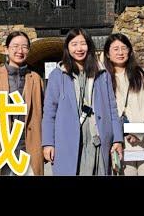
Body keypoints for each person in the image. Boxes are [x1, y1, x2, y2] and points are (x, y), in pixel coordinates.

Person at [42, 28, 124, 175]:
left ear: (89, 46)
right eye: (74, 44)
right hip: (67, 141)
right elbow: (49, 113)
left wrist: (117, 138)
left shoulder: (102, 74)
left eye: (83, 43)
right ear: (67, 48)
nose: (79, 48)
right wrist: (48, 142)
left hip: (97, 140)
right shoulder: (57, 75)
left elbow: (112, 108)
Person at [0, 30, 44, 175]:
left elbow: (43, 114)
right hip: (0, 148)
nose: (20, 51)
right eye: (15, 46)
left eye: (24, 47)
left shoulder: (36, 78)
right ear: (6, 49)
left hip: (28, 147)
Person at [103, 33, 144, 176]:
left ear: (130, 51)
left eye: (124, 48)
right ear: (107, 53)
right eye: (115, 49)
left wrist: (138, 131)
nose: (120, 52)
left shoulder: (142, 74)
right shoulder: (103, 77)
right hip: (119, 146)